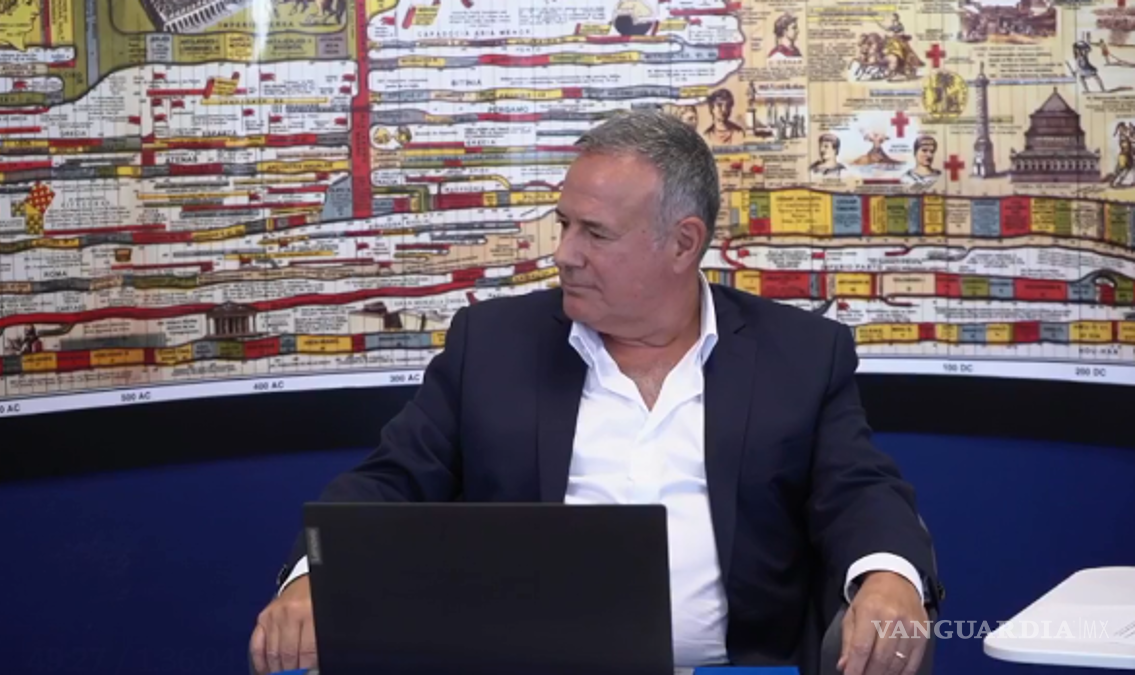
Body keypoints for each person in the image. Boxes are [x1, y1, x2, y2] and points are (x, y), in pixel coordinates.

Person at [250, 110, 941, 675]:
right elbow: (389, 480)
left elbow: (860, 490)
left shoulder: (800, 354)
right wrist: (314, 576)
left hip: (732, 670)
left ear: (683, 243)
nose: (564, 253)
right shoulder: (493, 344)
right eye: (565, 224)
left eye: (595, 233)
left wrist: (889, 577)